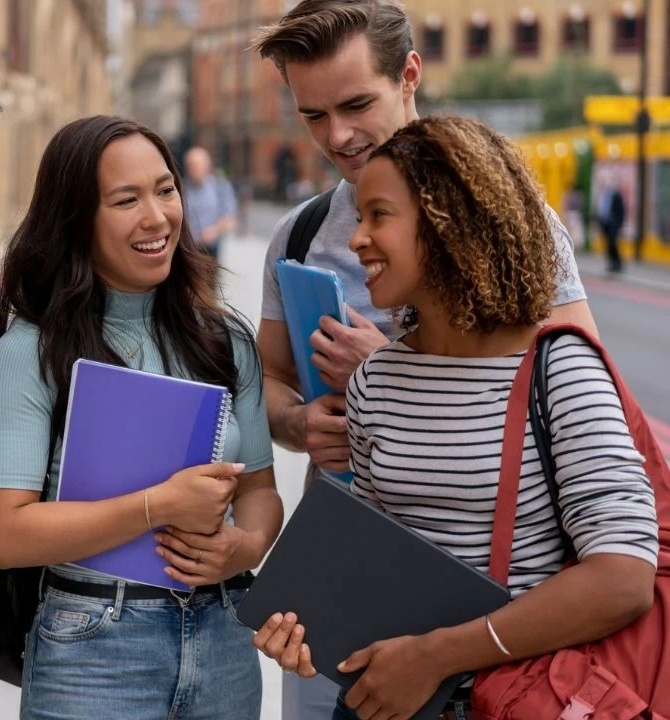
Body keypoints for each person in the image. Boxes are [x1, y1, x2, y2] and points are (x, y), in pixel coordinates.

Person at [251, 4, 598, 713]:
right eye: (313, 116)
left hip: (488, 600)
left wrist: (402, 375)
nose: (337, 136)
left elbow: (572, 371)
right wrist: (300, 422)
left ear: (410, 74)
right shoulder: (300, 233)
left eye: (355, 105)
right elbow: (269, 384)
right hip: (345, 574)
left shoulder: (514, 217)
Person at [0, 116, 282, 719]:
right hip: (93, 649)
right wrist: (157, 506)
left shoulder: (223, 340)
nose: (157, 217)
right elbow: (5, 536)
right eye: (125, 200)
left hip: (223, 637)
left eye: (165, 190)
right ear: (75, 219)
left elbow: (261, 491)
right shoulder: (29, 355)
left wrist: (242, 548)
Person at [183, 146, 238, 264]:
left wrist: (214, 231)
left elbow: (230, 218)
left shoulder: (220, 186)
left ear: (207, 166)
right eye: (190, 164)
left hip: (210, 250)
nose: (193, 168)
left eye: (197, 164)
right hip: (188, 249)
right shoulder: (181, 189)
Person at [596, 180, 626, 273]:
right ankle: (612, 263)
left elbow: (621, 210)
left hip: (613, 223)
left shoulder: (616, 195)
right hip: (605, 223)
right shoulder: (603, 195)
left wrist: (619, 222)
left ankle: (618, 263)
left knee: (613, 243)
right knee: (607, 244)